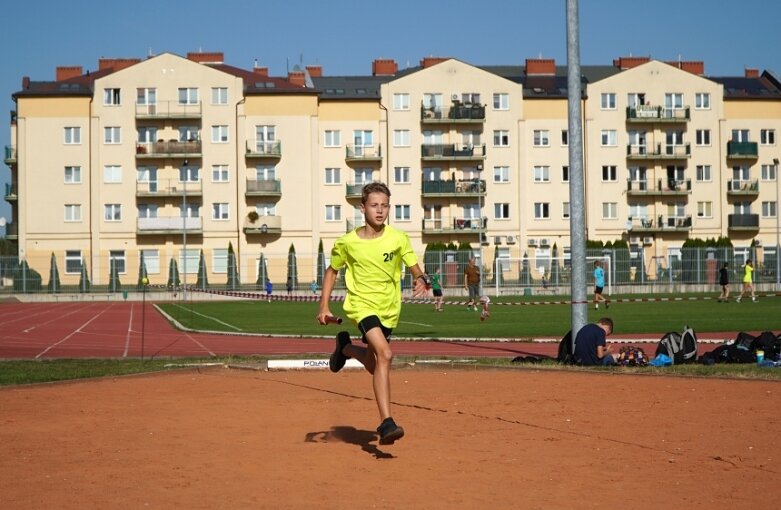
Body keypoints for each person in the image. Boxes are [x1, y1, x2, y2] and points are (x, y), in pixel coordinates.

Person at [316, 182, 428, 445]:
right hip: (361, 305)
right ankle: (387, 422)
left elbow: (414, 266)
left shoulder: (398, 238)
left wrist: (422, 279)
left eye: (385, 206)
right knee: (386, 355)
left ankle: (344, 349)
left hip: (389, 308)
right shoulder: (347, 242)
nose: (380, 211)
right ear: (362, 207)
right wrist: (323, 306)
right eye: (374, 205)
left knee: (374, 362)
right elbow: (332, 271)